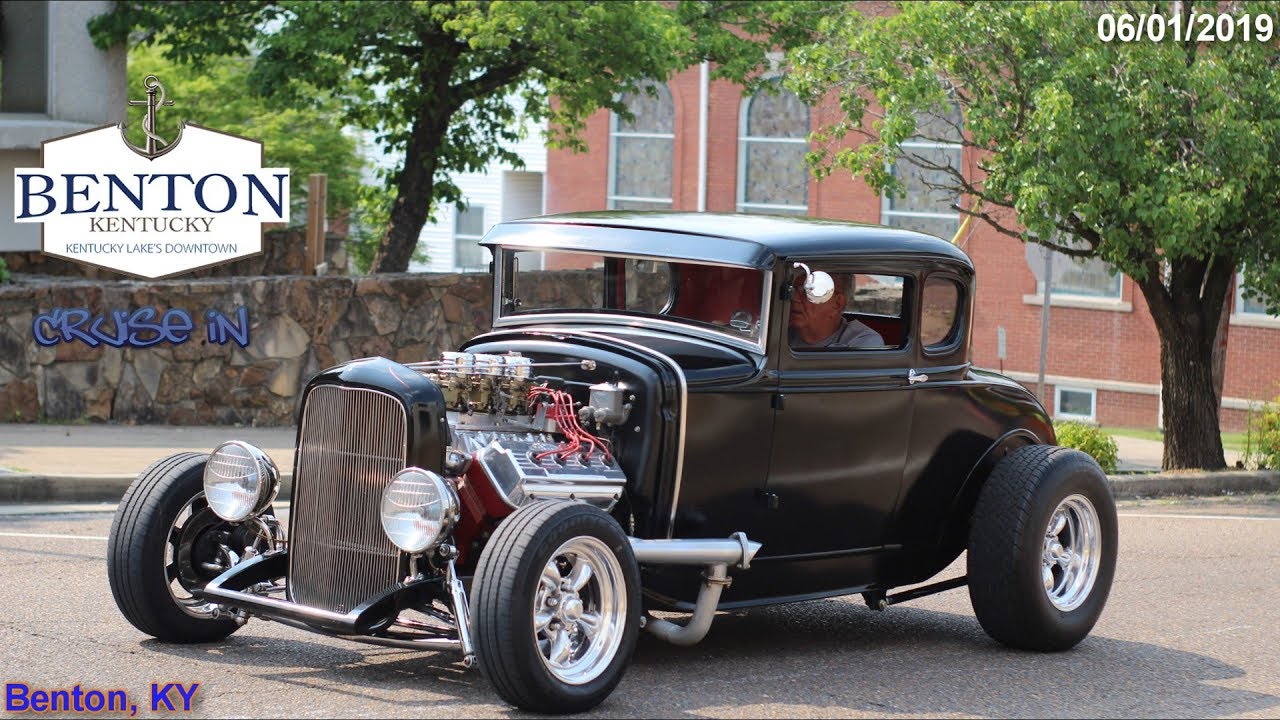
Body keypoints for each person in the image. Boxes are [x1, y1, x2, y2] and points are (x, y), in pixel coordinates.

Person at [789, 272, 884, 349]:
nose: (795, 298)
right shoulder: (780, 332)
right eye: (793, 290)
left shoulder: (862, 342)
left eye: (809, 292)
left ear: (837, 304)